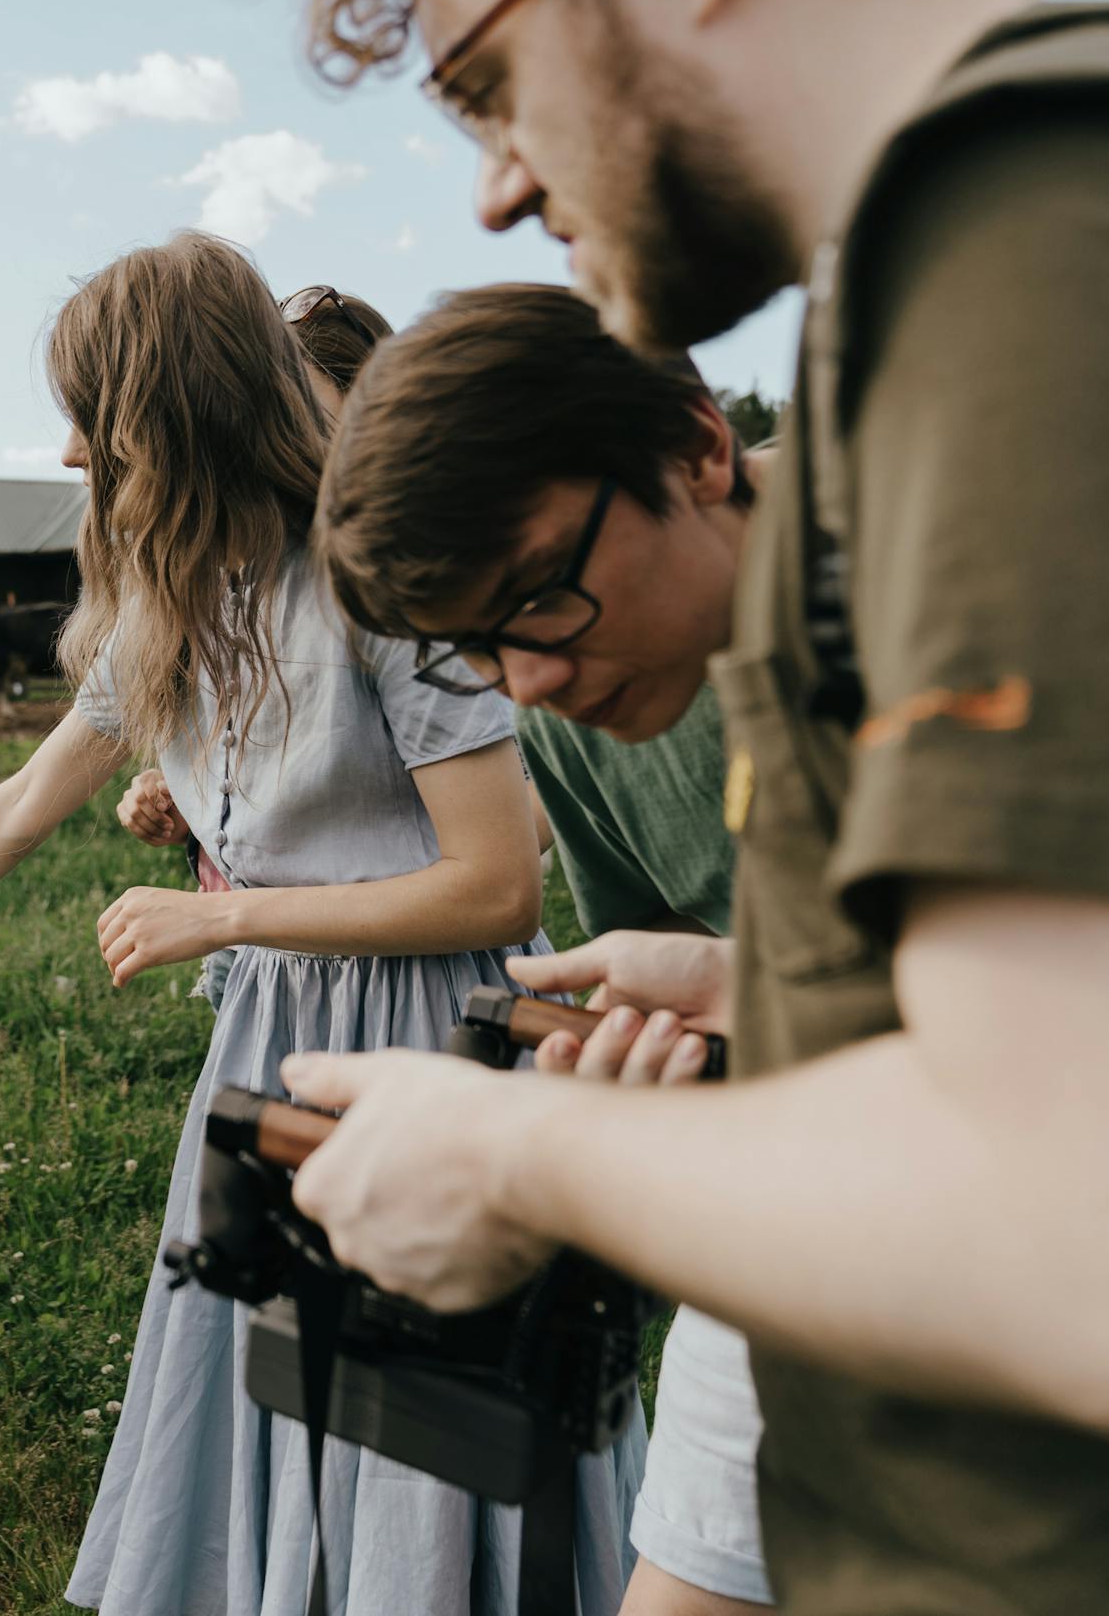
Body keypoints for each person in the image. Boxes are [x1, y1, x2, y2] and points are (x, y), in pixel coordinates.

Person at [290, 0, 1109, 1611]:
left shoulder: (1036, 256)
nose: (498, 189)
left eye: (486, 81)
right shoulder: (965, 287)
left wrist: (517, 1157)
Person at [0, 231, 642, 1614]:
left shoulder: (385, 582)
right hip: (273, 1043)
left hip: (429, 1043)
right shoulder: (169, 605)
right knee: (280, 1385)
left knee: (425, 1424)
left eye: (92, 418)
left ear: (170, 415)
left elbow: (497, 884)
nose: (75, 457)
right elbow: (23, 801)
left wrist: (228, 915)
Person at [321, 281, 775, 1615]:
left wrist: (542, 1166)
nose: (525, 683)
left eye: (537, 598)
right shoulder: (578, 702)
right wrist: (717, 1014)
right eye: (470, 648)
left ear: (697, 449)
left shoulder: (959, 589)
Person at [117, 283, 398, 1012]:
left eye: (315, 422)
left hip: (380, 975)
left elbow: (510, 841)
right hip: (244, 957)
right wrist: (177, 787)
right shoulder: (215, 585)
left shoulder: (396, 592)